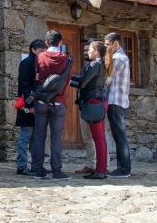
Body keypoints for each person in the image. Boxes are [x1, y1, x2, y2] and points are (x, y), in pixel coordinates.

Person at [31, 29, 73, 180]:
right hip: (58, 101)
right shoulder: (65, 59)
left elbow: (37, 77)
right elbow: (67, 80)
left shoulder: (40, 57)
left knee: (39, 136)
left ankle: (37, 169)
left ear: (47, 43)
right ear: (60, 43)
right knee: (56, 137)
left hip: (41, 100)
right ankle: (57, 171)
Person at [73, 40, 110, 179]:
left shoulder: (95, 64)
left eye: (90, 50)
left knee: (98, 138)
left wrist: (74, 80)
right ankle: (101, 169)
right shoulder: (101, 64)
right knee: (100, 138)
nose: (87, 52)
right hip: (97, 102)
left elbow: (83, 83)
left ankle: (100, 171)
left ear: (96, 51)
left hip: (94, 102)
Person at [14, 39, 46, 175]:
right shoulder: (27, 63)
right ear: (33, 49)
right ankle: (21, 166)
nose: (43, 53)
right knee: (25, 136)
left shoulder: (38, 63)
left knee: (35, 138)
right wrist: (30, 105)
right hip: (28, 106)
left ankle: (36, 166)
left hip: (36, 105)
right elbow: (25, 86)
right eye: (41, 51)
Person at [104, 31, 132, 178]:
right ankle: (124, 168)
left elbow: (107, 76)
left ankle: (124, 169)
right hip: (117, 102)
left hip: (116, 102)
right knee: (119, 136)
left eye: (108, 44)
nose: (106, 47)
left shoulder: (119, 58)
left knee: (120, 137)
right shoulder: (119, 57)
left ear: (116, 43)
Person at [76, 39, 98, 174]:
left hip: (94, 105)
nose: (85, 52)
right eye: (84, 50)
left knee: (98, 136)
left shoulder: (99, 65)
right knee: (87, 137)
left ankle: (102, 164)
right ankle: (91, 164)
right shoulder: (86, 66)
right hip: (84, 104)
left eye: (87, 50)